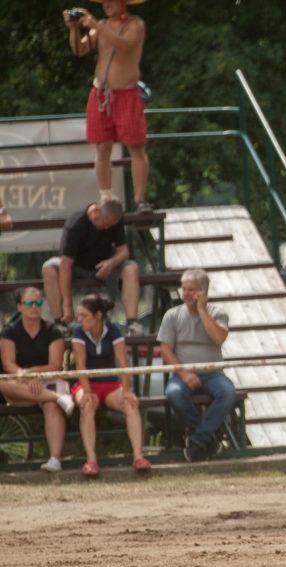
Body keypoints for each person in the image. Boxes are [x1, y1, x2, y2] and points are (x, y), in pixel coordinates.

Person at [63, 0, 151, 213]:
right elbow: (80, 49)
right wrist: (73, 29)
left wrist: (97, 26)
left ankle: (140, 200)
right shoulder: (101, 25)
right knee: (102, 146)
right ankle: (106, 196)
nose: (106, 5)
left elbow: (125, 46)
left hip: (127, 94)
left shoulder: (135, 24)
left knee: (135, 146)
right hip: (101, 94)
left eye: (111, 1)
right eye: (104, 2)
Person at [157, 269, 234, 461]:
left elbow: (219, 338)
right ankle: (208, 439)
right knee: (174, 393)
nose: (185, 293)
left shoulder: (218, 313)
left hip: (213, 373)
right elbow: (166, 350)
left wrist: (202, 311)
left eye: (191, 290)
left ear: (203, 291)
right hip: (182, 373)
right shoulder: (172, 315)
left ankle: (197, 439)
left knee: (227, 392)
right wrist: (184, 374)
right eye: (183, 289)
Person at [71, 293, 151, 477]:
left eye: (84, 316)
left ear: (98, 316)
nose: (79, 320)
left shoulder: (113, 330)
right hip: (86, 383)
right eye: (79, 315)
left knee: (130, 403)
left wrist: (126, 391)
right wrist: (87, 392)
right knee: (87, 404)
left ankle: (138, 457)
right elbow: (80, 364)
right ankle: (91, 460)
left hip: (110, 384)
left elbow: (123, 362)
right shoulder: (78, 331)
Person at [0, 287, 76, 473]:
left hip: (46, 379)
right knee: (2, 383)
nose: (34, 307)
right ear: (19, 306)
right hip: (21, 386)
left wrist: (33, 374)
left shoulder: (53, 331)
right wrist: (25, 377)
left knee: (51, 406)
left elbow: (55, 365)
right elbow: (9, 364)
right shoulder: (9, 332)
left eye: (38, 303)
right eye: (29, 303)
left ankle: (55, 459)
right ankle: (57, 397)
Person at [41, 197, 142, 335]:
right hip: (75, 267)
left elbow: (124, 251)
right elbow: (65, 265)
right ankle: (59, 323)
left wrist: (111, 263)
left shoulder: (115, 220)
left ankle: (132, 323)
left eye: (110, 225)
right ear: (95, 212)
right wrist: (67, 305)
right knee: (48, 268)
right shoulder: (76, 223)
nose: (107, 228)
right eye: (105, 223)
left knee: (131, 268)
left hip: (103, 266)